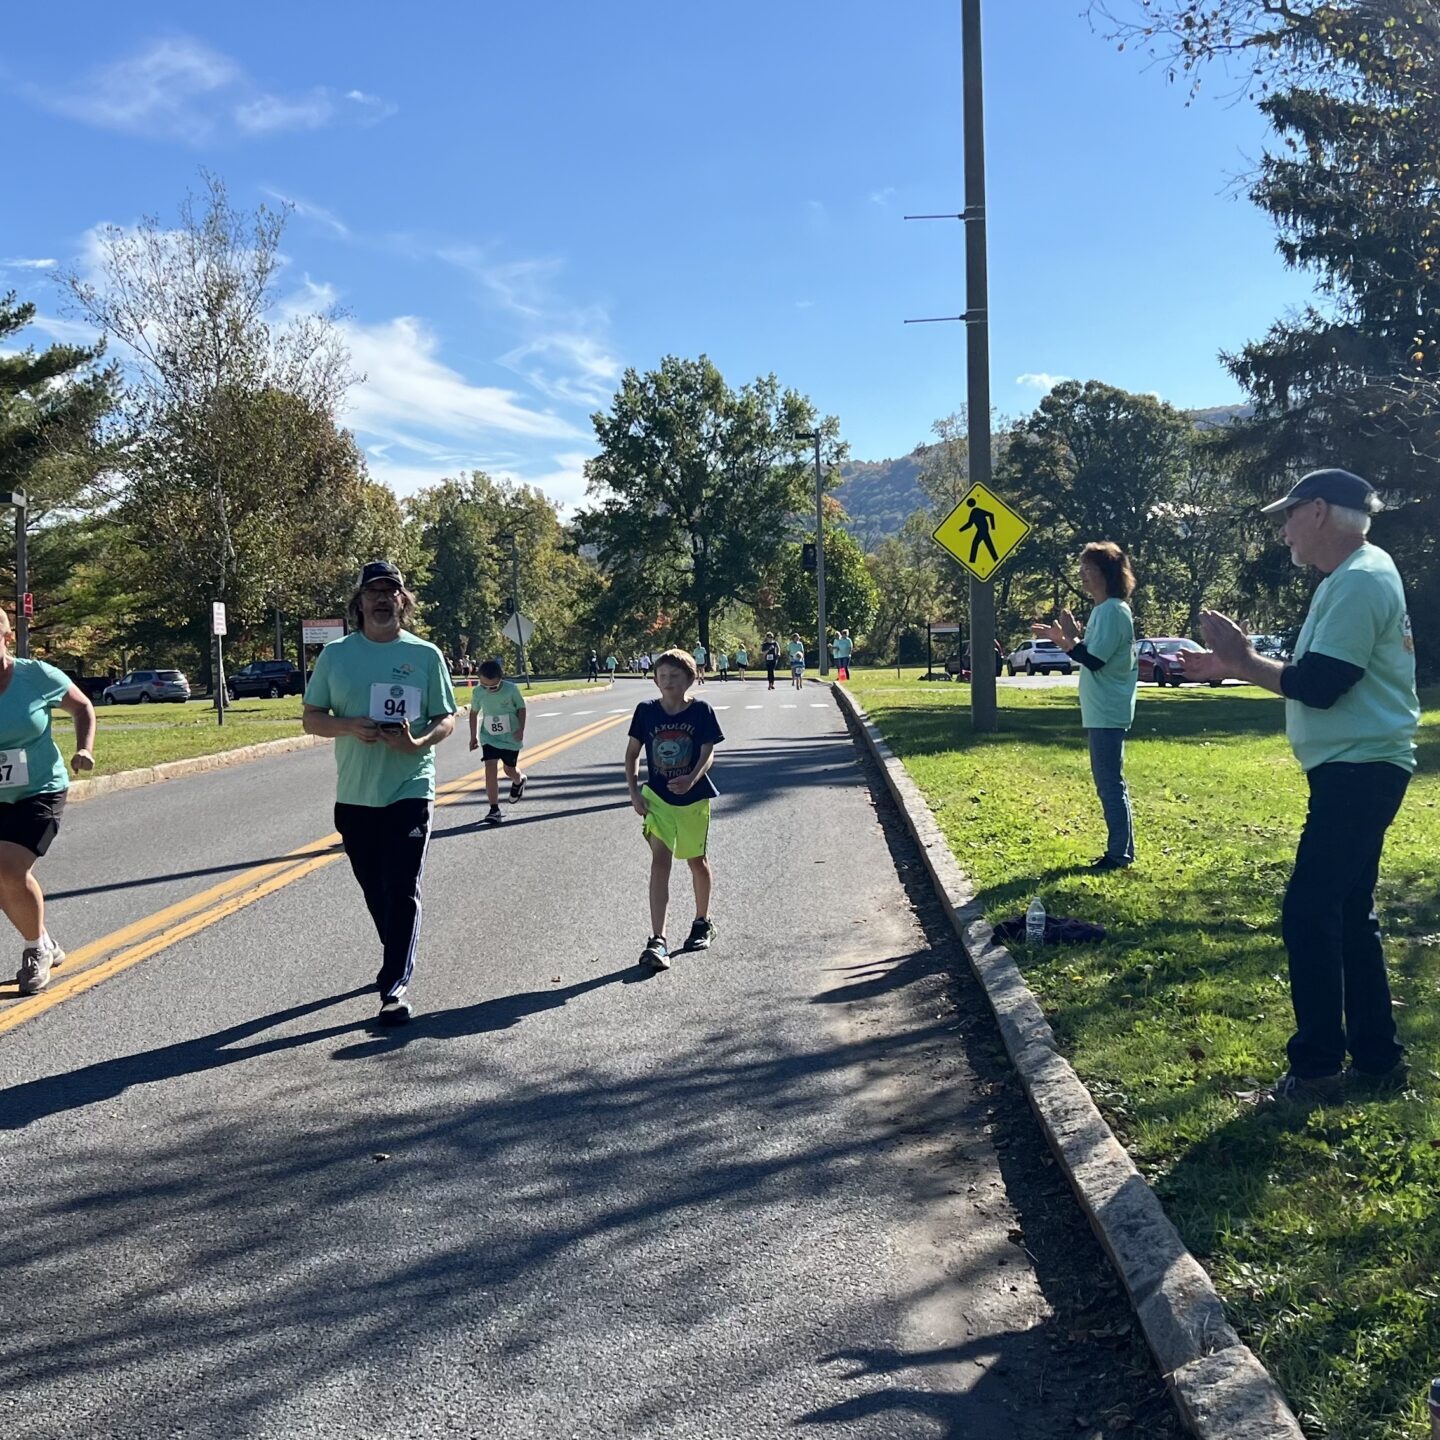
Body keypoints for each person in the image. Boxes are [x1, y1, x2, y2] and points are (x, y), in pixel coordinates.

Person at [1180, 469, 1420, 1103]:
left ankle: (1316, 1069)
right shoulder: (1355, 576)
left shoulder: (1361, 581)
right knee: (1346, 914)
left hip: (1359, 769)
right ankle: (1377, 1059)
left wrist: (1240, 659)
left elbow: (1319, 684)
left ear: (1318, 512)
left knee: (1311, 912)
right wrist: (1234, 667)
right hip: (1358, 767)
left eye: (1287, 514)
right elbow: (1314, 674)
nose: (1282, 527)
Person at [303, 561, 457, 1026]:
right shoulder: (335, 656)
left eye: (391, 591)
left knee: (402, 887)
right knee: (376, 890)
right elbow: (312, 718)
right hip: (354, 795)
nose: (382, 599)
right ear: (360, 603)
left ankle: (394, 986)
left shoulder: (426, 655)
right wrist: (349, 725)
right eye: (373, 592)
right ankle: (395, 948)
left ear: (403, 602)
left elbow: (445, 717)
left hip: (410, 788)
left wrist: (417, 742)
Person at [0, 611, 96, 995]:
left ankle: (35, 950)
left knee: (7, 868)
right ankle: (43, 939)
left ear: (6, 637)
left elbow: (82, 707)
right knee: (2, 878)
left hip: (39, 789)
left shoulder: (35, 676)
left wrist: (84, 749)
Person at [1033, 542, 1139, 872]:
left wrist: (1064, 640)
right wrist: (1072, 639)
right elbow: (1090, 652)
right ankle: (1122, 851)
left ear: (1107, 573)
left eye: (1088, 570)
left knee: (1109, 784)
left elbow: (1093, 659)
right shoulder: (1104, 611)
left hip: (1108, 710)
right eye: (1081, 570)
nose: (1082, 576)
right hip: (1103, 710)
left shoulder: (1111, 610)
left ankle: (1118, 856)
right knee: (1111, 783)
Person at [625, 648, 723, 972]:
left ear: (689, 679)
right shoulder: (645, 711)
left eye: (675, 676)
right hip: (657, 799)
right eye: (662, 675)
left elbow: (708, 753)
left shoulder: (702, 711)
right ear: (654, 679)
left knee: (697, 861)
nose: (668, 681)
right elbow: (631, 755)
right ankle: (658, 939)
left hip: (694, 800)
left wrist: (692, 778)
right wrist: (634, 792)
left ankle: (702, 921)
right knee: (660, 862)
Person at [468, 657, 527, 824]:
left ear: (501, 679)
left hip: (510, 737)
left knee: (509, 770)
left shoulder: (511, 690)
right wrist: (473, 736)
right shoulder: (478, 692)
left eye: (493, 686)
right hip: (489, 737)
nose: (489, 689)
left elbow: (521, 708)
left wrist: (521, 728)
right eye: (484, 685)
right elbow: (474, 713)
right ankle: (494, 809)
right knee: (490, 768)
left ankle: (518, 780)